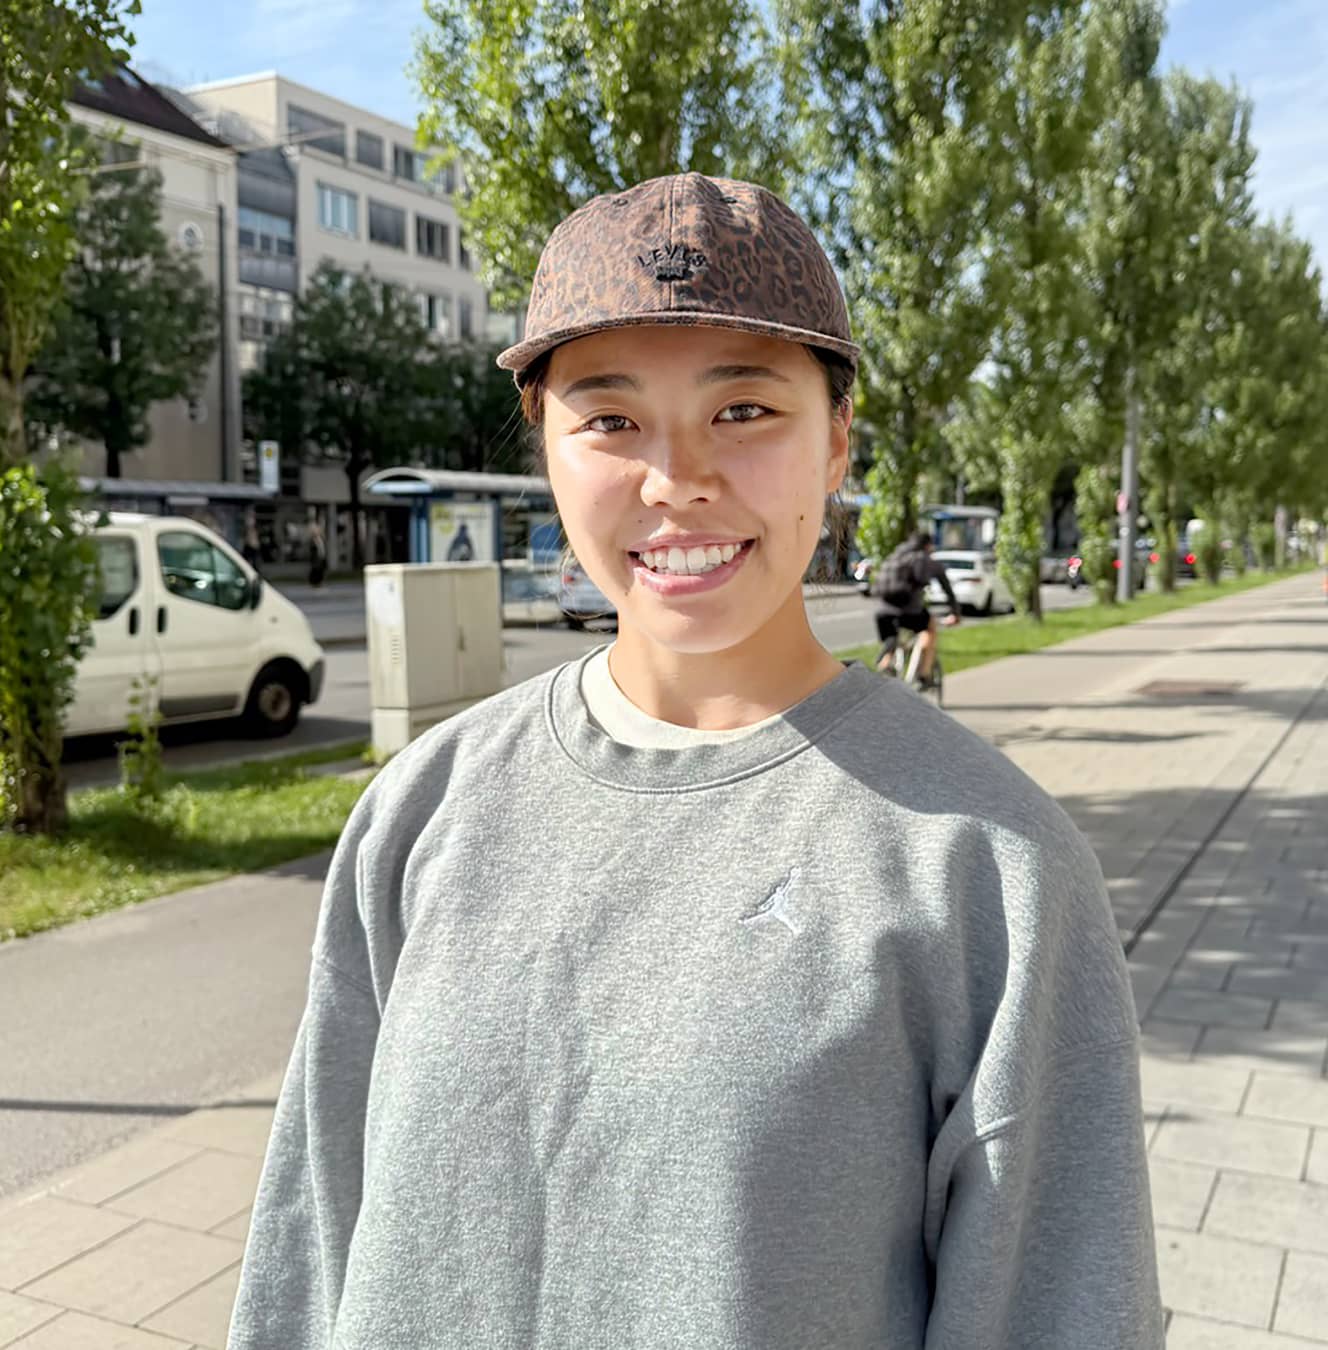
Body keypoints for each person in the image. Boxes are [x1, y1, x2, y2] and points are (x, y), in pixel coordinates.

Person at [228, 174, 1163, 1350]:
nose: (675, 480)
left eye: (743, 410)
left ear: (836, 442)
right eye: (610, 421)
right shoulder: (423, 808)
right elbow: (313, 1242)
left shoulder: (990, 871)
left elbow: (1056, 1312)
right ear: (546, 446)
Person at [872, 529, 961, 683]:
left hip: (882, 612)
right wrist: (955, 613)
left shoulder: (894, 557)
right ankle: (924, 675)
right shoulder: (926, 560)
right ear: (928, 545)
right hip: (909, 612)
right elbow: (948, 590)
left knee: (892, 641)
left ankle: (886, 664)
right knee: (930, 628)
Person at [307, 513, 327, 588]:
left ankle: (318, 582)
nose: (319, 531)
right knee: (315, 570)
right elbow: (312, 550)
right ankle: (315, 583)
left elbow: (322, 549)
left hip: (321, 557)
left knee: (320, 570)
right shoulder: (313, 541)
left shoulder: (320, 540)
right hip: (316, 559)